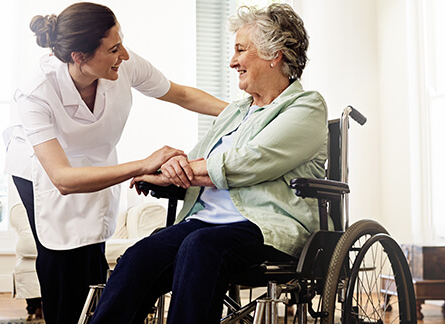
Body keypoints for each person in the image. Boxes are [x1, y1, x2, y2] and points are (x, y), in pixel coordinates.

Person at [89, 3, 328, 323]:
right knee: (139, 257)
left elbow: (252, 160)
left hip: (267, 228)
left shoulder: (306, 107)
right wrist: (165, 173)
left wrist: (183, 172)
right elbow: (197, 158)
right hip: (202, 224)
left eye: (241, 50)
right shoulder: (236, 111)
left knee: (201, 247)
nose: (232, 62)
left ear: (275, 55)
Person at [2, 2, 227, 323]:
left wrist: (244, 113)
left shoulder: (122, 64)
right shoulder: (35, 92)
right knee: (61, 258)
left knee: (91, 250)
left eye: (121, 43)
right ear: (80, 57)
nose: (124, 54)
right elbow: (63, 179)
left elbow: (181, 95)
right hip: (43, 170)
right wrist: (144, 164)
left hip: (94, 160)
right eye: (113, 48)